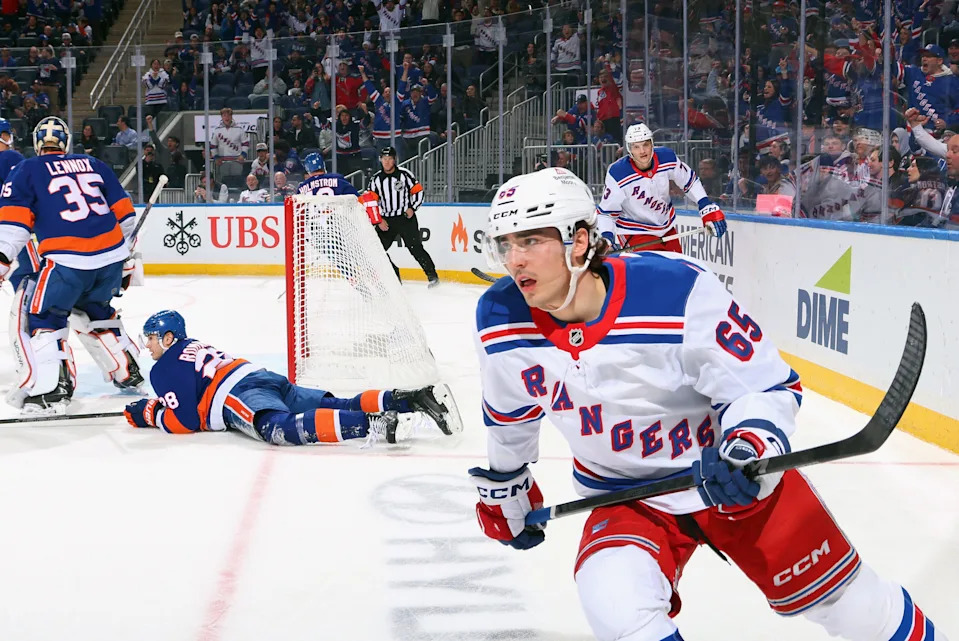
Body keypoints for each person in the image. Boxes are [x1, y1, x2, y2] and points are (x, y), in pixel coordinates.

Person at [469, 167, 949, 641]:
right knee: (616, 606)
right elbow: (510, 413)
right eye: (505, 244)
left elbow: (760, 386)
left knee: (853, 609)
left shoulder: (673, 290)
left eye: (530, 241)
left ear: (577, 241)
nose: (515, 260)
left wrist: (746, 450)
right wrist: (506, 483)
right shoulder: (498, 317)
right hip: (624, 496)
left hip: (729, 477)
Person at [124, 310, 459, 444]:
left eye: (151, 338)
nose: (148, 345)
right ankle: (411, 397)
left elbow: (185, 421)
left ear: (168, 338)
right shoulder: (192, 345)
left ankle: (374, 423)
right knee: (335, 402)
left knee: (277, 428)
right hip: (262, 376)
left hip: (236, 394)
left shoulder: (162, 368)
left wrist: (150, 413)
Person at [0, 117, 143, 413]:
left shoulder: (26, 168)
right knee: (95, 309)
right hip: (111, 259)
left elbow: (13, 228)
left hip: (66, 261)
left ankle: (51, 388)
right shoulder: (92, 162)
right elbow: (128, 217)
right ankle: (127, 369)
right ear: (65, 142)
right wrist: (126, 260)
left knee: (41, 315)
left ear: (38, 143)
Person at [597, 123, 726, 253]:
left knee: (678, 270)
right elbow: (606, 213)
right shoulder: (618, 173)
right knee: (651, 271)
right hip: (635, 232)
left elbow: (689, 181)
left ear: (652, 144)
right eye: (636, 147)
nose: (642, 151)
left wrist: (705, 205)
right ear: (630, 150)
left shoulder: (666, 157)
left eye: (645, 144)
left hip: (666, 228)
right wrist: (607, 238)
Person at [366, 146, 438, 286]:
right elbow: (370, 202)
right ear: (380, 160)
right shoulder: (376, 180)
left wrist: (412, 208)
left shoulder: (404, 175)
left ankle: (433, 277)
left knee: (415, 248)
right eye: (384, 159)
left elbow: (418, 192)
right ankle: (394, 275)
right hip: (386, 221)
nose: (386, 162)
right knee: (377, 250)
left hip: (406, 219)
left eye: (389, 159)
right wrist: (378, 220)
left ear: (394, 160)